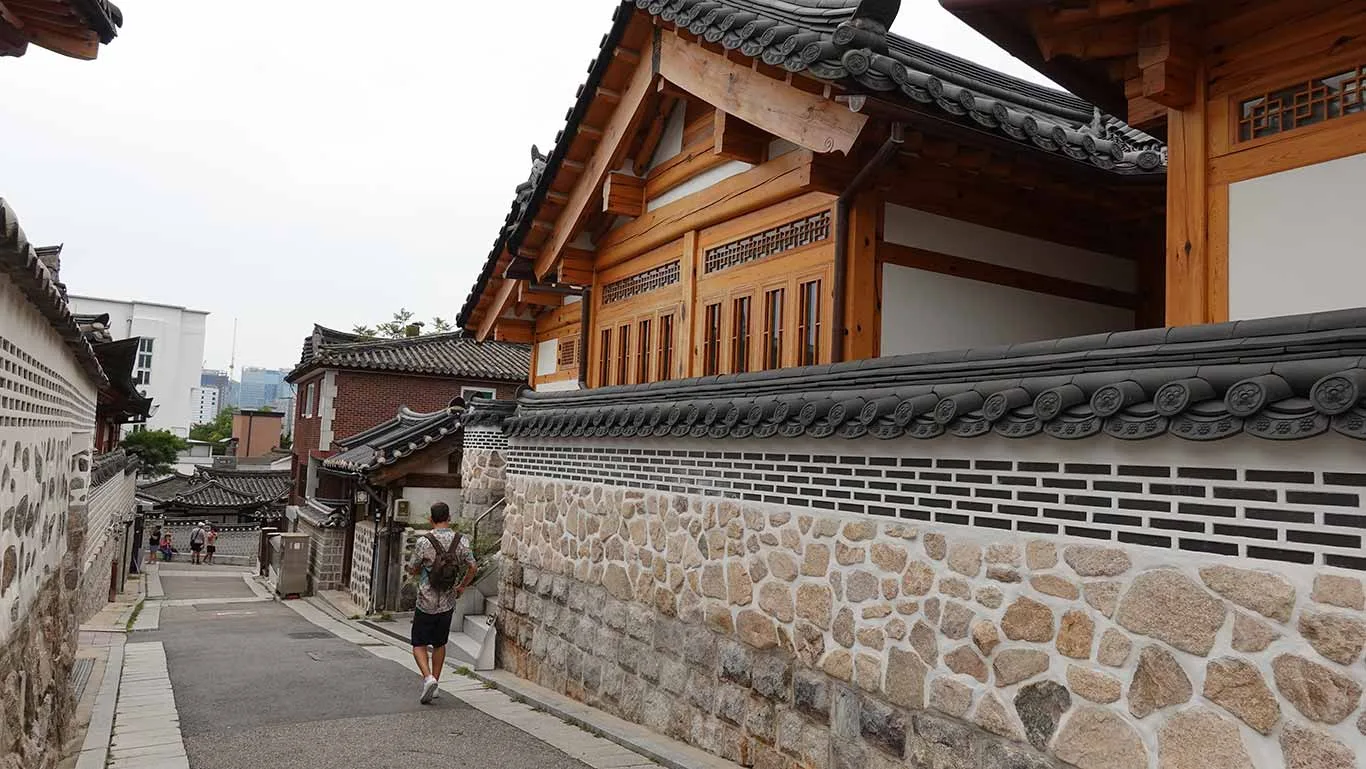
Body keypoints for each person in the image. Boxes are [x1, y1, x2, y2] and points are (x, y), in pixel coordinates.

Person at [406, 501, 476, 704]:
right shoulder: (461, 541)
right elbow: (473, 567)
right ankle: (436, 682)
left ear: (431, 519)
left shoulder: (424, 541)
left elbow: (412, 568)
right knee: (440, 642)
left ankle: (428, 678)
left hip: (425, 600)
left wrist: (419, 571)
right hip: (448, 600)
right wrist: (462, 586)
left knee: (418, 643)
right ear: (449, 519)